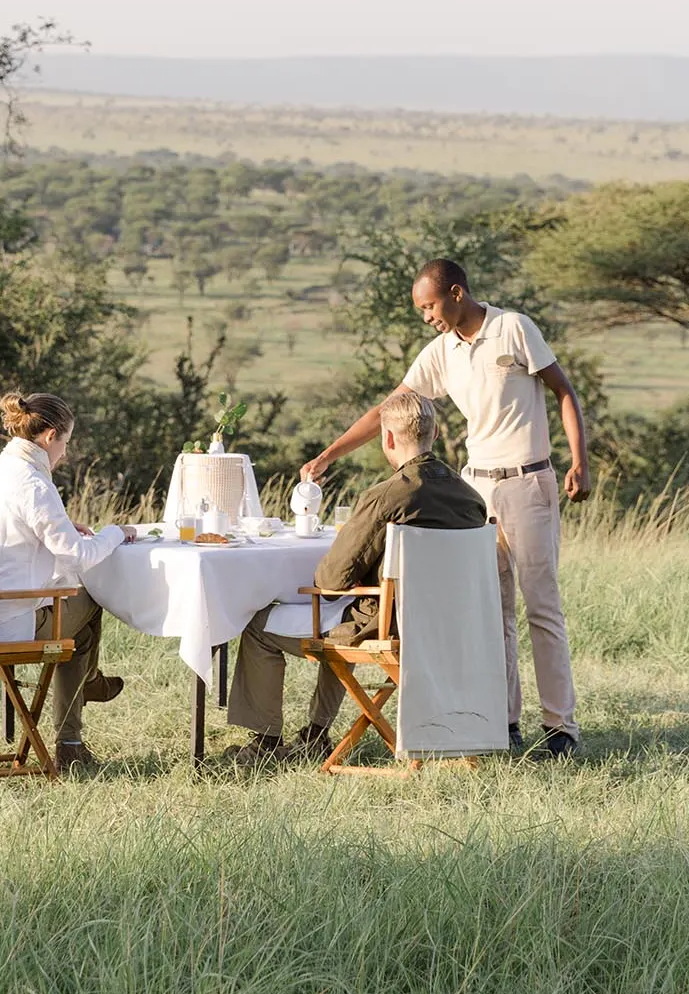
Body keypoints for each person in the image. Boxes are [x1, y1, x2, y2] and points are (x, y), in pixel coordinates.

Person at [303, 260, 589, 759]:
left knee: (541, 607)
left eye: (430, 306)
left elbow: (564, 391)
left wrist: (580, 462)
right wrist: (329, 454)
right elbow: (389, 409)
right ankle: (505, 722)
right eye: (421, 310)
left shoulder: (513, 327)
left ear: (457, 293)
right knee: (491, 611)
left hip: (528, 481)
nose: (427, 317)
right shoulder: (441, 352)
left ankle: (560, 727)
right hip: (476, 491)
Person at [227, 388, 487, 768]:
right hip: (450, 629)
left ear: (388, 438)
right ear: (432, 434)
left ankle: (266, 741)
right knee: (344, 615)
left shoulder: (386, 497)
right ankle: (314, 736)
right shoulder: (472, 499)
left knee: (259, 626)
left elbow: (332, 579)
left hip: (386, 628)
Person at [0, 390, 135, 775]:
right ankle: (83, 702)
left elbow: (4, 526)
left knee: (76, 626)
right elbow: (78, 555)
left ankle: (86, 696)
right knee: (91, 599)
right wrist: (117, 532)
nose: (65, 455)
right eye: (66, 444)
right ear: (50, 436)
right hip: (10, 624)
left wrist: (63, 526)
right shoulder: (36, 485)